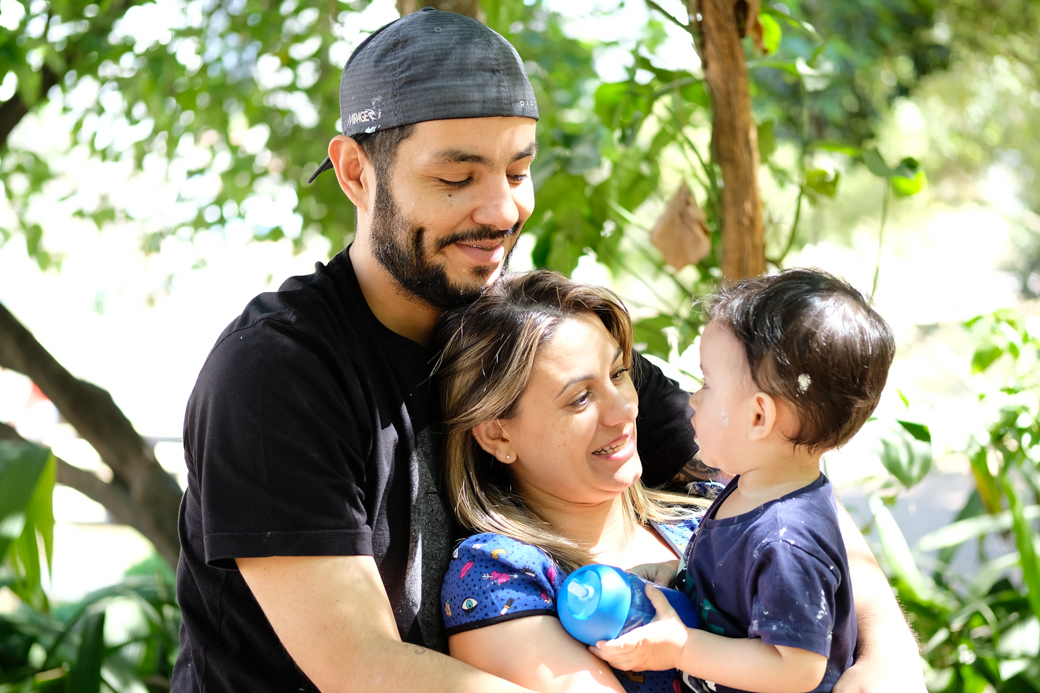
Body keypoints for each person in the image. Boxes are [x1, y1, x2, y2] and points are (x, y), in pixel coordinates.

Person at [171, 7, 922, 693]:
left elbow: (775, 470)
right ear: (355, 172)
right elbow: (363, 665)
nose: (501, 209)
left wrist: (887, 657)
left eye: (519, 169)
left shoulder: (531, 332)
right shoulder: (278, 374)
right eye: (456, 177)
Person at [591, 269, 895, 693]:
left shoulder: (786, 540)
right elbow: (738, 581)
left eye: (706, 384)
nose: (692, 400)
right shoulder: (754, 488)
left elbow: (796, 667)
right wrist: (679, 574)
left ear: (758, 417)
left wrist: (683, 649)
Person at [434, 269, 719, 693]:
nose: (624, 410)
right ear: (498, 434)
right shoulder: (501, 575)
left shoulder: (708, 517)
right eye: (580, 398)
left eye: (620, 373)